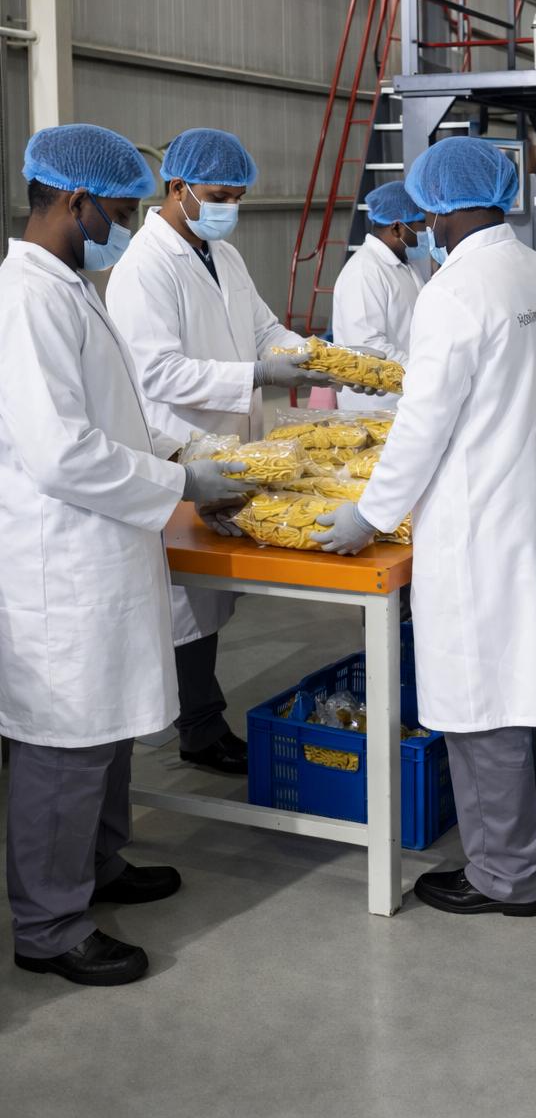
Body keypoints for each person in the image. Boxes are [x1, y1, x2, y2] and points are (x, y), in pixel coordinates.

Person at [0, 124, 247, 986]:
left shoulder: (72, 286)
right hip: (58, 566)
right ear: (75, 201)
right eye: (122, 208)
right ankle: (49, 925)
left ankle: (99, 867)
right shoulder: (26, 300)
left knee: (102, 734)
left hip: (103, 547)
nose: (127, 224)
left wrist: (174, 464)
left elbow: (110, 417)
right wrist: (179, 486)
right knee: (64, 743)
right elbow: (61, 452)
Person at [315, 137, 536, 916]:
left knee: (482, 698)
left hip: (479, 522)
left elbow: (423, 424)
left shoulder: (454, 293)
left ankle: (505, 874)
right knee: (526, 680)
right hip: (531, 508)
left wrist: (368, 514)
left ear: (438, 206)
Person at [106, 127, 348, 777]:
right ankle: (196, 726)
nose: (228, 208)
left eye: (238, 196)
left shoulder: (223, 253)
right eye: (218, 195)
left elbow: (263, 328)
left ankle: (197, 715)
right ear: (176, 188)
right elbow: (156, 373)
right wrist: (256, 376)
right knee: (184, 602)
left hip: (228, 445)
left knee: (207, 600)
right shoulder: (143, 269)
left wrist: (312, 356)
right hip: (179, 445)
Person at [313, 180, 427, 416]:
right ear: (397, 228)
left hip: (408, 394)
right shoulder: (364, 273)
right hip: (378, 405)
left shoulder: (405, 265)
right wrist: (425, 371)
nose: (426, 233)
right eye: (421, 223)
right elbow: (369, 347)